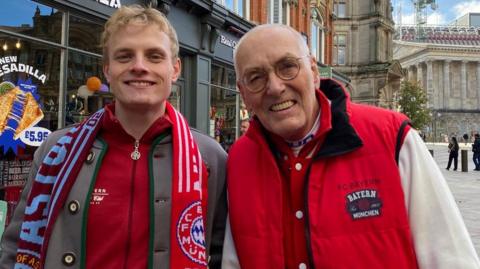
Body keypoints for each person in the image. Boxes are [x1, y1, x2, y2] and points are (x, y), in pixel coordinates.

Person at [221, 24, 480, 269]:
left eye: (287, 67)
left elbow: (451, 258)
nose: (275, 87)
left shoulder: (392, 137)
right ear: (242, 92)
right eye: (256, 78)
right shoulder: (238, 160)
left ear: (313, 72)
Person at [0, 5, 227, 269]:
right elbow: (15, 249)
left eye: (154, 56)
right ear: (107, 69)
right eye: (124, 56)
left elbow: (222, 257)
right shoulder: (55, 151)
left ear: (175, 70)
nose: (139, 66)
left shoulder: (210, 158)